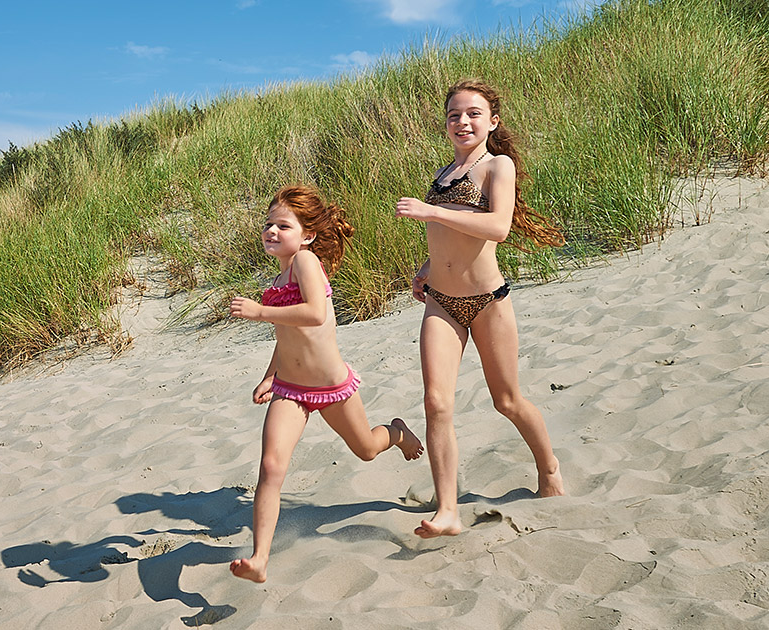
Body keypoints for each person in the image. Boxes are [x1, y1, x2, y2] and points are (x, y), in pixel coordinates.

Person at [394, 79, 566, 539]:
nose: (462, 122)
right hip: (441, 303)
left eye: (472, 113)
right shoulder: (444, 173)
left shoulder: (497, 166)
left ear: (492, 122)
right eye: (454, 115)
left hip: (488, 301)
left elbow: (497, 227)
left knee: (506, 400)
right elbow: (451, 238)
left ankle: (548, 468)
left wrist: (432, 213)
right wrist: (427, 267)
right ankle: (447, 509)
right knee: (436, 403)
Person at [226, 185, 424, 583]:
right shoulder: (282, 273)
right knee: (270, 467)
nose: (272, 231)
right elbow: (289, 336)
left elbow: (316, 314)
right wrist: (270, 375)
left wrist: (260, 311)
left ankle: (397, 432)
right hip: (291, 390)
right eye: (268, 224)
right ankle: (260, 558)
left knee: (367, 449)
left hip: (332, 388)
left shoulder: (305, 261)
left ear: (308, 234)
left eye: (283, 225)